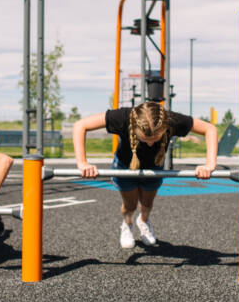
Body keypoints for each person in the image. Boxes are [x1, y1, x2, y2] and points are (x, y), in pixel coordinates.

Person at [73, 101, 218, 248]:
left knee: (147, 203)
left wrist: (209, 164)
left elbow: (210, 129)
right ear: (134, 128)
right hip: (125, 166)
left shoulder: (172, 120)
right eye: (145, 139)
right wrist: (83, 163)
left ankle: (143, 221)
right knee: (130, 205)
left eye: (155, 139)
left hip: (154, 168)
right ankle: (127, 223)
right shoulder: (122, 117)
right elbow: (80, 125)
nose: (150, 144)